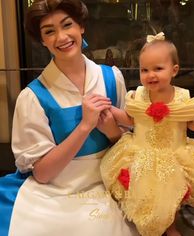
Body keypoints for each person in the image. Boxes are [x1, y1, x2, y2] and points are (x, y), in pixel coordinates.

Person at [0, 0, 139, 235]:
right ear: (42, 40)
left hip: (109, 182)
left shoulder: (112, 79)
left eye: (67, 25)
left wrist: (112, 132)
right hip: (56, 190)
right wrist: (84, 127)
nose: (62, 37)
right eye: (49, 32)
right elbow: (42, 174)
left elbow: (132, 147)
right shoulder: (33, 97)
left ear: (81, 27)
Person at [100, 32, 194, 236]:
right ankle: (144, 223)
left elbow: (192, 123)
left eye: (158, 69)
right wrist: (111, 110)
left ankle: (170, 224)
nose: (150, 75)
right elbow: (130, 119)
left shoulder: (182, 97)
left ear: (174, 70)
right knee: (143, 193)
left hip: (174, 154)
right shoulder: (139, 95)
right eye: (144, 70)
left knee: (170, 194)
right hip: (141, 153)